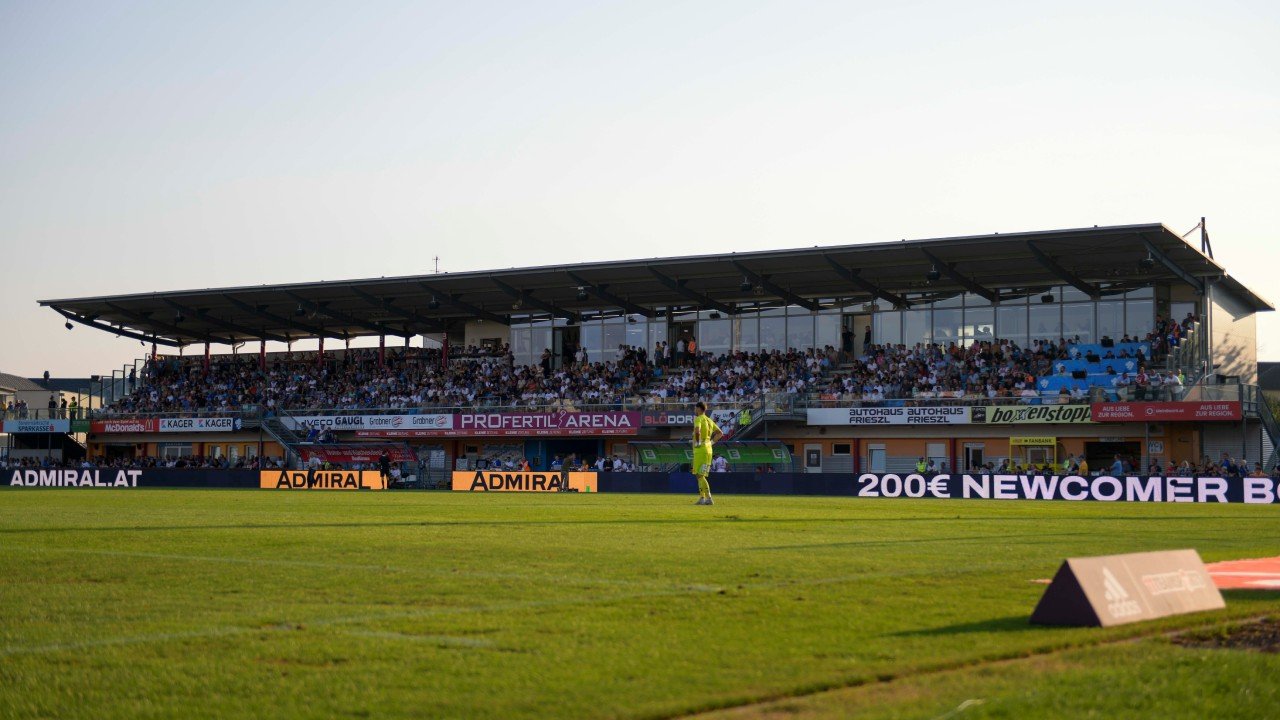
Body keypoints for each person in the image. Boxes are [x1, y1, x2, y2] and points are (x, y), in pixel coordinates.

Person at [691, 400, 723, 505]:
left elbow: (697, 430)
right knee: (699, 475)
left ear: (699, 409)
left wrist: (698, 441)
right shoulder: (709, 420)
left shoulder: (698, 419)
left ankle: (708, 498)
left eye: (696, 408)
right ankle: (702, 498)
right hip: (708, 449)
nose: (695, 410)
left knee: (700, 475)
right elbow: (720, 433)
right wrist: (711, 442)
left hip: (700, 450)